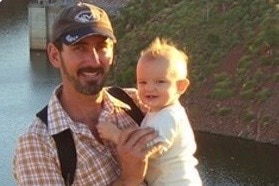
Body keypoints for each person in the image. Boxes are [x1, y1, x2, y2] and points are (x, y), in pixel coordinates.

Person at [13, 2, 157, 185]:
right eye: (80, 48)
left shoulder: (138, 103)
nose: (94, 60)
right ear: (55, 55)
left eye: (102, 46)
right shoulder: (37, 144)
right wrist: (129, 178)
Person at [97, 38, 202, 185]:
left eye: (160, 82)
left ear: (181, 86)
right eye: (143, 82)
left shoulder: (169, 116)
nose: (149, 88)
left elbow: (145, 148)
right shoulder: (156, 111)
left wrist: (115, 134)